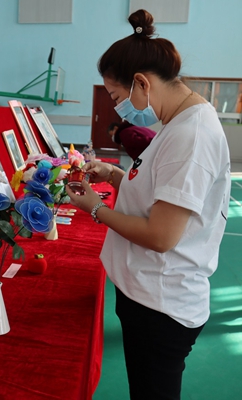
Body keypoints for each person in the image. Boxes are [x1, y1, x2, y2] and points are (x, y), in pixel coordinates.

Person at [66, 9, 230, 399]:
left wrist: (97, 209)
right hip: (147, 292)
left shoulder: (190, 135)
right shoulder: (178, 123)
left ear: (142, 82)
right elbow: (160, 193)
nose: (118, 108)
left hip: (162, 303)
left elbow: (161, 235)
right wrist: (115, 175)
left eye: (117, 97)